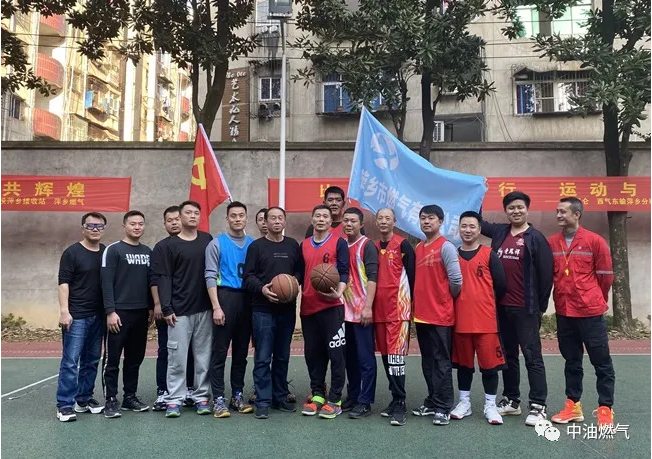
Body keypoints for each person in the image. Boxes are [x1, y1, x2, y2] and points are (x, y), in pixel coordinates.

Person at [480, 191, 553, 426]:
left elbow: (546, 276)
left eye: (520, 207)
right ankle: (512, 400)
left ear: (527, 210)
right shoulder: (500, 232)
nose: (516, 211)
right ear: (506, 211)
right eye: (511, 208)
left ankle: (538, 405)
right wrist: (476, 192)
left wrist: (539, 307)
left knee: (532, 357)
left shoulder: (536, 238)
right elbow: (479, 222)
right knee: (508, 356)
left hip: (526, 309)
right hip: (502, 308)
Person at [548, 197, 615, 428]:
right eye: (557, 211)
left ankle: (605, 408)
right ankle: (573, 406)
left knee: (601, 362)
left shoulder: (595, 241)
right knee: (572, 361)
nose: (558, 215)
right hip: (565, 311)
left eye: (563, 212)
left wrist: (595, 298)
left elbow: (605, 276)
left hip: (590, 312)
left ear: (577, 214)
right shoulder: (552, 242)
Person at [243, 207, 303, 419]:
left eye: (280, 218)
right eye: (272, 218)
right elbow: (248, 276)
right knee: (262, 357)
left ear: (284, 221)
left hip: (286, 310)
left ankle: (280, 396)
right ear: (265, 222)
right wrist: (262, 289)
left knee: (282, 356)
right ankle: (262, 401)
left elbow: (300, 271)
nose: (277, 221)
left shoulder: (292, 245)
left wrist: (294, 281)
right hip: (262, 310)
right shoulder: (256, 247)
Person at [449, 211, 508, 425]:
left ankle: (490, 405)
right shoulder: (452, 255)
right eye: (464, 226)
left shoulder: (489, 254)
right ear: (459, 229)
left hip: (486, 322)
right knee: (464, 366)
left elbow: (501, 285)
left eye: (472, 226)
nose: (468, 230)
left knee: (489, 367)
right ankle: (464, 403)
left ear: (479, 229)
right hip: (460, 321)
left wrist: (484, 301)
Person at [157, 201, 214, 418]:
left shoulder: (207, 240)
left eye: (196, 213)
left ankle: (201, 397)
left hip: (204, 309)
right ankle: (174, 399)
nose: (192, 216)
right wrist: (166, 307)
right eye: (188, 213)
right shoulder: (168, 246)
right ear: (180, 217)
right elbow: (164, 277)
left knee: (203, 358)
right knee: (177, 358)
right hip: (178, 312)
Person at [412, 204, 462, 426]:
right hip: (421, 315)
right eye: (423, 218)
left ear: (440, 221)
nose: (426, 221)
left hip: (440, 315)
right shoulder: (419, 247)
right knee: (428, 362)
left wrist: (444, 298)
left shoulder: (446, 247)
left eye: (431, 218)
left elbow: (456, 280)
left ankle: (443, 407)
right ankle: (432, 401)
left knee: (442, 362)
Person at [55, 212, 107, 422]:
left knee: (92, 360)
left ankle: (83, 399)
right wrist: (64, 311)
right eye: (90, 226)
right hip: (76, 316)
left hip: (99, 315)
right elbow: (63, 283)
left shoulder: (106, 252)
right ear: (83, 228)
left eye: (99, 226)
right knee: (70, 361)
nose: (95, 229)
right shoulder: (72, 252)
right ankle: (64, 405)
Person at [101, 210, 153, 418]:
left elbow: (150, 283)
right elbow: (106, 283)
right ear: (124, 226)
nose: (137, 227)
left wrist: (151, 307)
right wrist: (110, 311)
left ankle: (129, 397)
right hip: (118, 314)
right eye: (133, 223)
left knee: (134, 359)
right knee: (112, 359)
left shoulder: (148, 252)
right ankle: (110, 399)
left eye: (141, 223)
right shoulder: (113, 250)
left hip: (140, 314)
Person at [300, 205, 350, 419]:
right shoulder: (303, 245)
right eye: (317, 216)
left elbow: (345, 271)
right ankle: (318, 394)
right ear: (312, 219)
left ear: (331, 222)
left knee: (336, 355)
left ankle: (336, 399)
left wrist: (339, 291)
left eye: (325, 216)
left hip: (332, 307)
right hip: (308, 307)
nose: (321, 219)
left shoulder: (339, 243)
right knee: (313, 354)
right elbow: (298, 273)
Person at [205, 201, 254, 418]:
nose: (237, 219)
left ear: (246, 218)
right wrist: (216, 307)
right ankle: (218, 399)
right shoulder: (216, 244)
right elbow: (209, 276)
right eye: (233, 215)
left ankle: (237, 395)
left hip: (247, 300)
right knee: (219, 352)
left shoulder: (253, 244)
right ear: (227, 219)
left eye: (241, 215)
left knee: (241, 353)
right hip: (225, 297)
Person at [150, 206, 196, 412]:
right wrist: (158, 304)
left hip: (190, 308)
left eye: (177, 218)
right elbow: (155, 278)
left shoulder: (196, 243)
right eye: (170, 220)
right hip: (168, 309)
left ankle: (189, 389)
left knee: (190, 351)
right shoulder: (161, 247)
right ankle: (163, 391)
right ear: (165, 224)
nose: (174, 223)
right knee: (165, 350)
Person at [373, 208, 415, 427]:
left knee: (396, 358)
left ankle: (400, 402)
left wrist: (413, 306)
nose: (383, 221)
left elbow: (413, 276)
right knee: (385, 357)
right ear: (376, 221)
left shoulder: (403, 245)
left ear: (394, 221)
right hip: (378, 312)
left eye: (387, 218)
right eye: (380, 218)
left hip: (398, 310)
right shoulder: (372, 246)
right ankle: (394, 397)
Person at [341, 208, 378, 419]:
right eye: (346, 220)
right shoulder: (341, 245)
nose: (349, 224)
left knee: (365, 359)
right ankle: (353, 395)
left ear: (361, 224)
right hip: (345, 312)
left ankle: (365, 401)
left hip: (362, 311)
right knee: (350, 359)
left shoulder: (366, 245)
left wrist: (368, 307)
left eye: (353, 221)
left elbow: (373, 277)